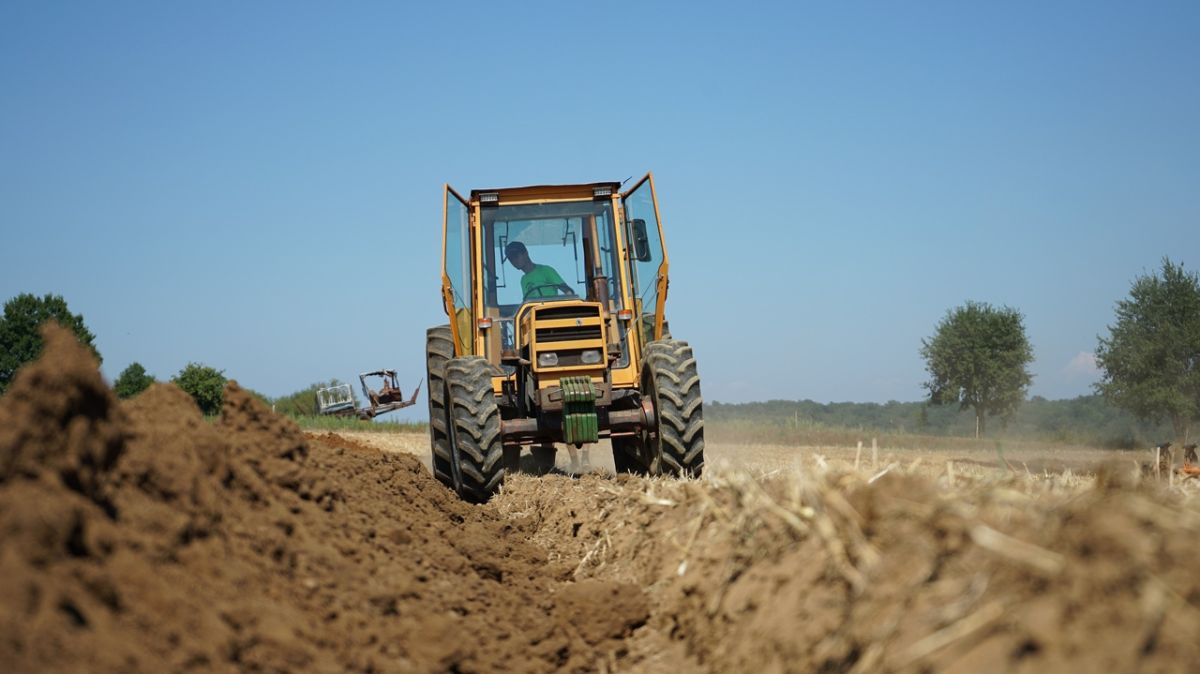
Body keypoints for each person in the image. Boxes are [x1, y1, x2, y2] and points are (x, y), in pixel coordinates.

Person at [505, 241, 575, 299]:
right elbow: (526, 302)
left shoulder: (546, 271)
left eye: (516, 256)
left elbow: (568, 292)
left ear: (526, 254)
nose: (514, 260)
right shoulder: (523, 280)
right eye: (511, 259)